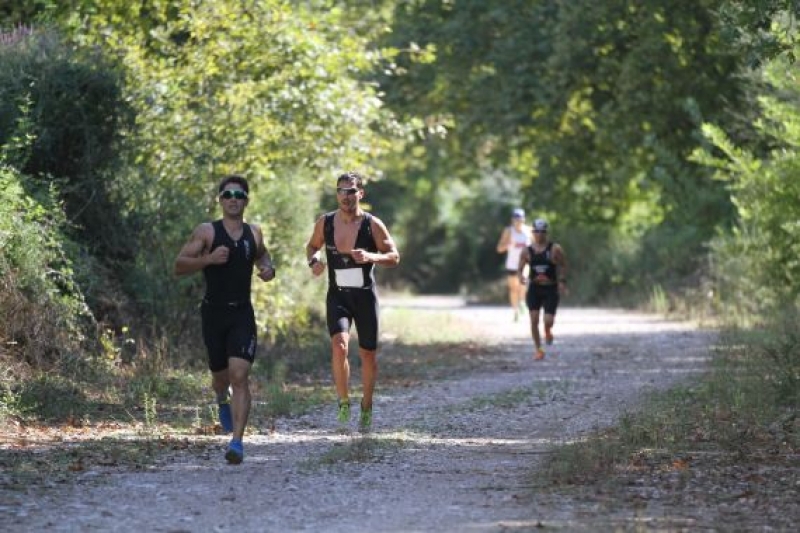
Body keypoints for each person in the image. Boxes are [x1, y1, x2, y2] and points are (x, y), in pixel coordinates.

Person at [174, 175, 276, 464]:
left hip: (242, 313)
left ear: (246, 200)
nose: (233, 199)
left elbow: (263, 257)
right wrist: (207, 260)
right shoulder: (207, 232)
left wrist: (268, 269)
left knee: (240, 376)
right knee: (221, 379)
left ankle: (237, 443)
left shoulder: (254, 233)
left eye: (239, 195)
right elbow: (179, 266)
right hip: (213, 313)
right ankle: (222, 398)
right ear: (220, 199)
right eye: (228, 194)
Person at [305, 171, 400, 431]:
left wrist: (371, 256)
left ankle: (366, 406)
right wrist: (314, 261)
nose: (345, 196)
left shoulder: (373, 224)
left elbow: (394, 256)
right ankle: (344, 401)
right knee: (339, 345)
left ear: (360, 194)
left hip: (365, 297)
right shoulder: (325, 223)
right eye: (341, 191)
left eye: (351, 191)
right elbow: (312, 246)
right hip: (338, 296)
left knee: (368, 355)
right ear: (336, 194)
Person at [518, 218, 567, 360]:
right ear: (533, 233)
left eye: (542, 232)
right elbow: (520, 268)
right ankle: (539, 349)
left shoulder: (554, 249)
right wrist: (521, 276)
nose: (540, 234)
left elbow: (563, 265)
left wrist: (562, 281)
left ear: (547, 233)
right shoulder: (527, 251)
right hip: (534, 289)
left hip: (550, 288)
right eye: (537, 232)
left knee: (548, 320)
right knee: (533, 320)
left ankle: (547, 330)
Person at [496, 208, 532, 321]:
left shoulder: (529, 231)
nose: (518, 222)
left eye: (520, 220)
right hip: (511, 264)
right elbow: (499, 249)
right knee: (513, 289)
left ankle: (522, 303)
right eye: (516, 220)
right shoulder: (508, 231)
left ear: (524, 219)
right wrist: (508, 245)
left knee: (523, 282)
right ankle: (515, 311)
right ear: (512, 220)